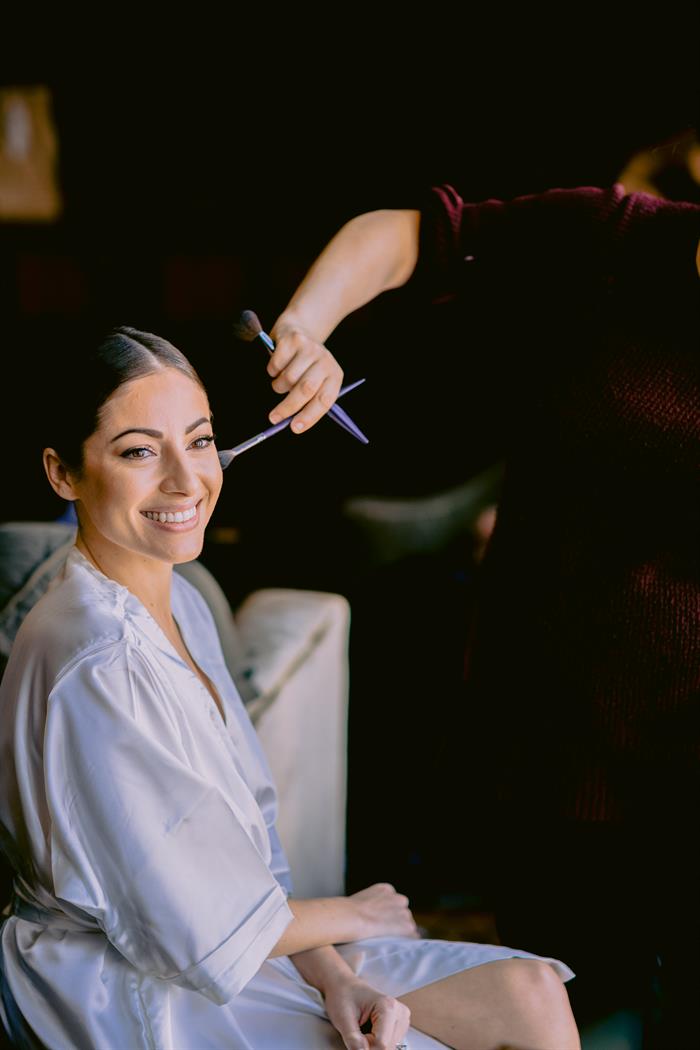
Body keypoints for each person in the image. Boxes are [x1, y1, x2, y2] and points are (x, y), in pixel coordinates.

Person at [0, 327, 579, 1050]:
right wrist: (356, 914)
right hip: (124, 988)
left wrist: (334, 976)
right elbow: (195, 926)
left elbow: (250, 856)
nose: (186, 480)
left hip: (236, 946)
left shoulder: (181, 603)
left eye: (200, 441)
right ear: (63, 473)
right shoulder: (99, 658)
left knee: (531, 992)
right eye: (139, 451)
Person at [259, 181, 700, 1043]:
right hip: (555, 734)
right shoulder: (617, 241)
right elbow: (405, 237)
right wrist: (305, 328)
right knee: (575, 1011)